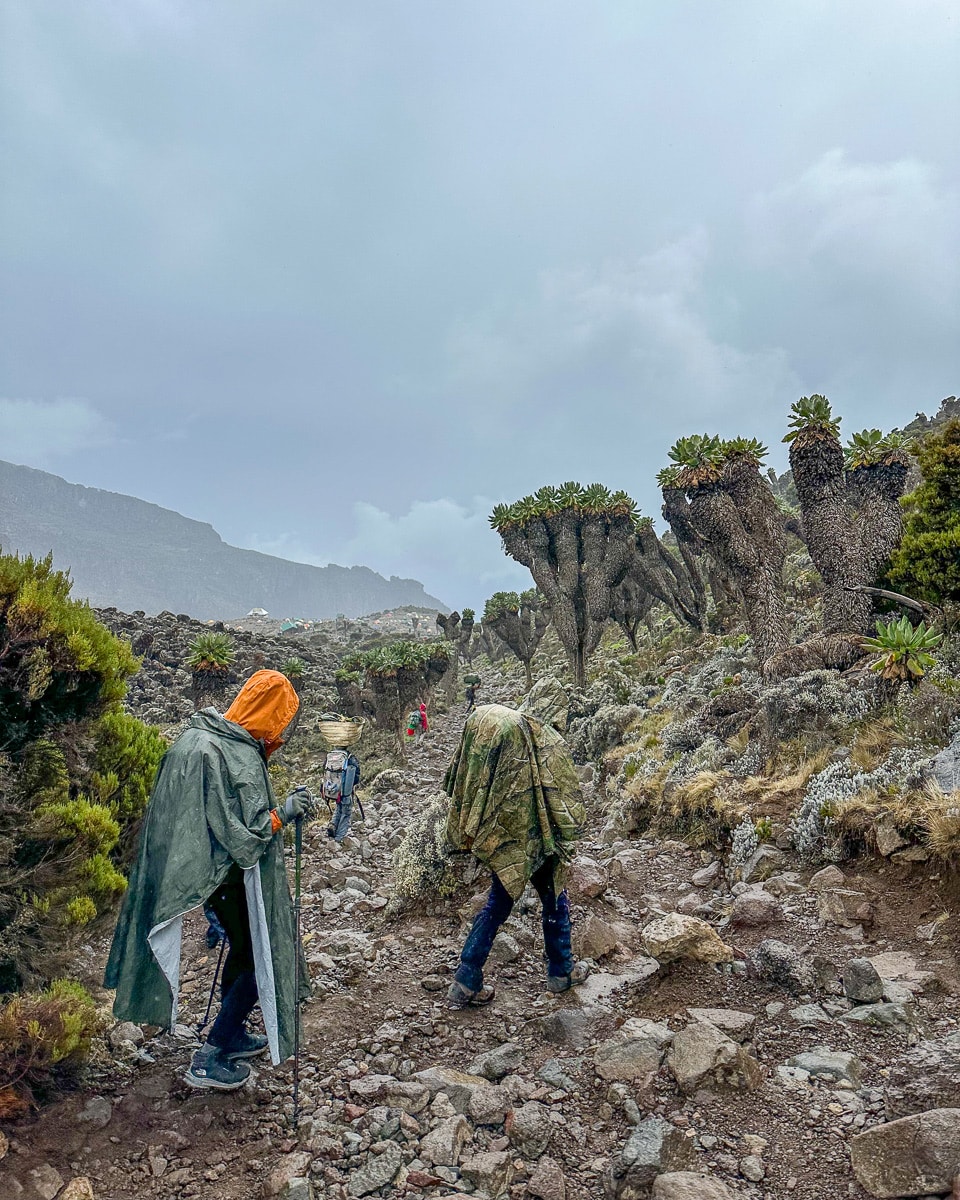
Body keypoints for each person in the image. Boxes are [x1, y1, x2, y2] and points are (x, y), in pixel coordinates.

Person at [104, 669, 317, 1091]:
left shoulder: (195, 737)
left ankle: (232, 1032)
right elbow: (244, 838)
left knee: (243, 945)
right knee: (263, 956)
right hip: (228, 876)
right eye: (281, 719)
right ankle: (213, 1053)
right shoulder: (234, 756)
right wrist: (284, 813)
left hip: (197, 872)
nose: (282, 732)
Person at [443, 676, 587, 1006]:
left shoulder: (506, 731)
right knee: (554, 897)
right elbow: (563, 798)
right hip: (538, 836)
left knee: (498, 902)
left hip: (503, 833)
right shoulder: (544, 739)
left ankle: (465, 980)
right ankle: (561, 972)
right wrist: (565, 837)